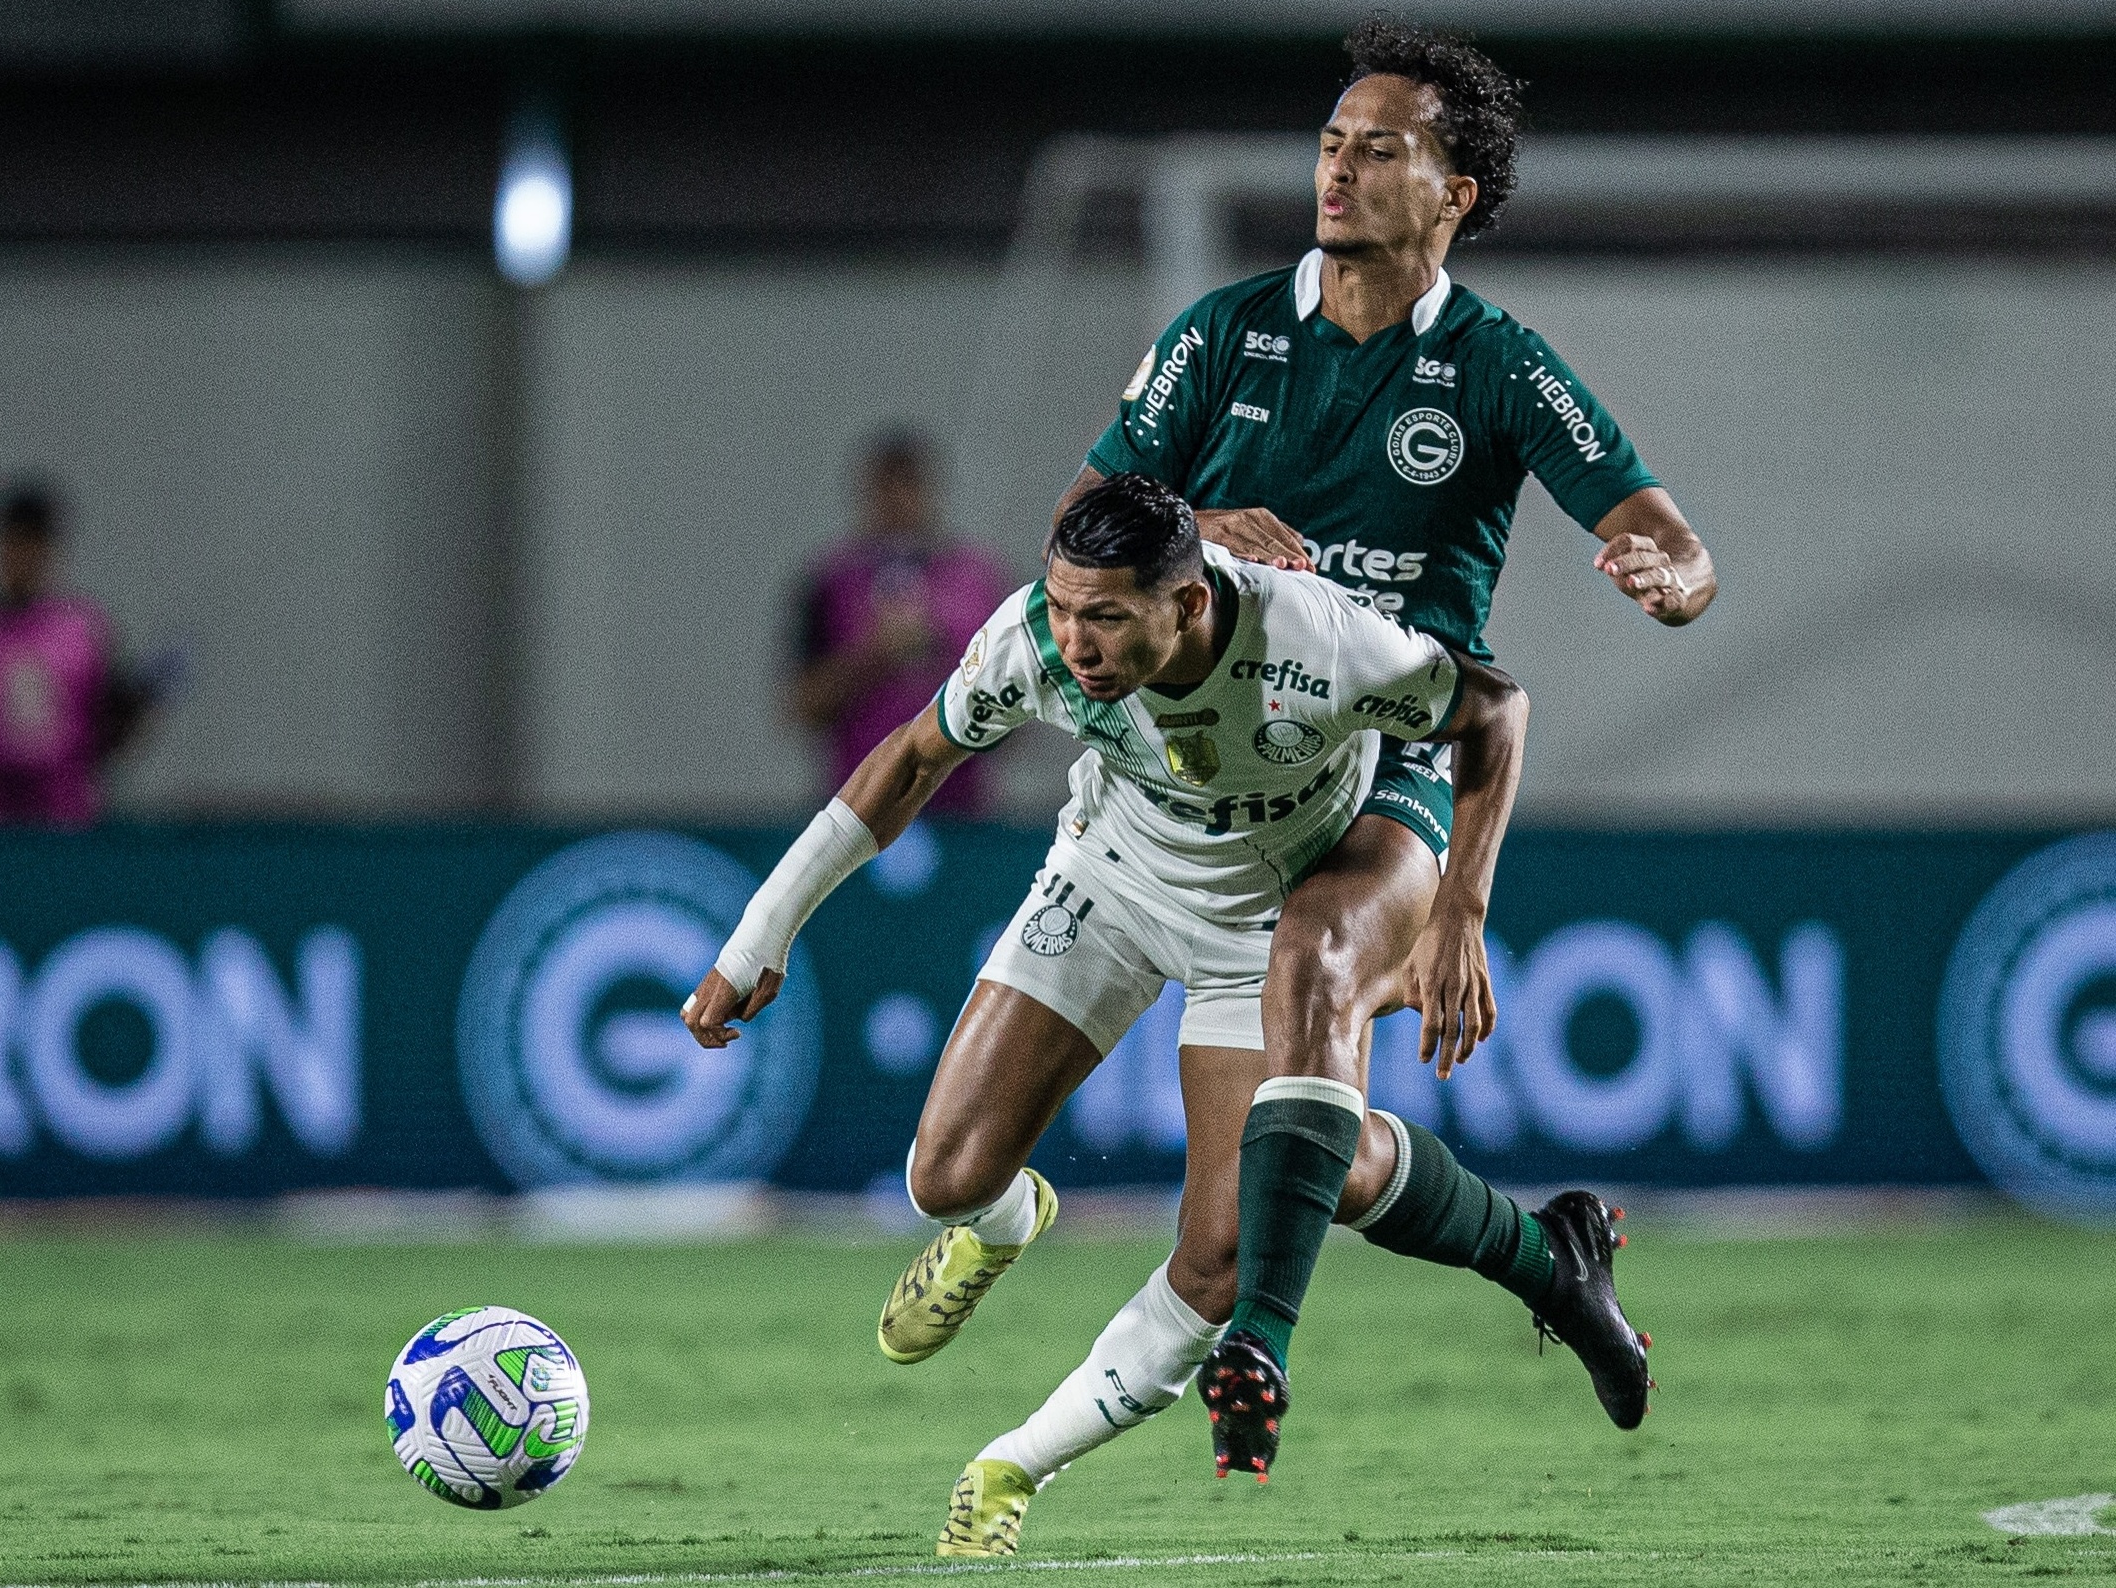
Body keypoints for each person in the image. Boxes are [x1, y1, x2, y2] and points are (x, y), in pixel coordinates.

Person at [1053, 18, 1712, 1483]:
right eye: (1332, 141)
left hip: (1390, 768)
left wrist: (1673, 575)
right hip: (1209, 775)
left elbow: (1659, 531)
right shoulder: (1223, 331)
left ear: (1455, 192)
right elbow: (1084, 519)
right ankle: (1553, 1260)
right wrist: (1206, 524)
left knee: (1315, 976)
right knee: (1319, 1150)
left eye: (1382, 148)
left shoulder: (1494, 366)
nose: (1339, 167)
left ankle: (1257, 1358)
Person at [684, 472, 1554, 1558]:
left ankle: (1009, 1465)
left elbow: (1493, 709)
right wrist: (756, 939)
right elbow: (912, 757)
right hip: (1107, 886)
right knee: (942, 1179)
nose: (1073, 642)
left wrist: (1455, 906)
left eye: (1103, 615)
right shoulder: (1032, 644)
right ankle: (1007, 1222)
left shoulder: (1316, 642)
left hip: (1260, 930)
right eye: (1060, 607)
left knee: (1217, 1259)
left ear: (1187, 605)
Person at [789, 430, 1015, 817]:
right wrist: (874, 658)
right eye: (885, 489)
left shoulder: (975, 580)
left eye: (908, 487)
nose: (897, 503)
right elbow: (802, 706)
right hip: (856, 809)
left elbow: (1019, 712)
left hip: (960, 812)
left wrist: (941, 649)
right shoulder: (832, 582)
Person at [0, 485, 155, 827]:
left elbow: (110, 729)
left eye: (35, 542)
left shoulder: (83, 630)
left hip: (68, 821)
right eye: (15, 541)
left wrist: (139, 708)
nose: (24, 555)